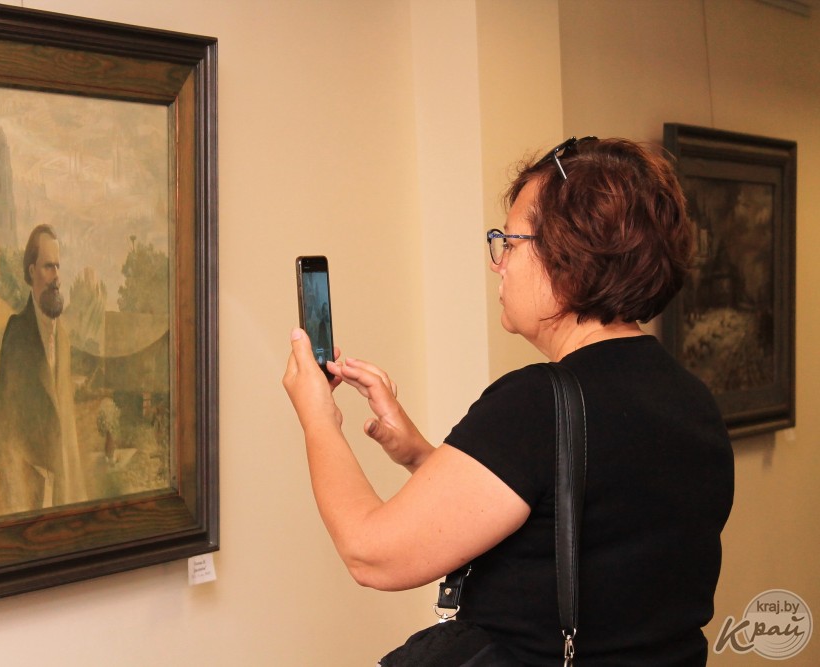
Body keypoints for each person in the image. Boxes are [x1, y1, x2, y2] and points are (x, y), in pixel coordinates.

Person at [282, 137, 734, 666]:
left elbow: (371, 555)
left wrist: (318, 417)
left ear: (569, 256)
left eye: (510, 243)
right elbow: (570, 519)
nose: (498, 265)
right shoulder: (690, 399)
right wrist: (419, 455)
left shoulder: (538, 402)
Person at [0, 224, 87, 515]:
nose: (56, 277)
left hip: (62, 498)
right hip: (28, 499)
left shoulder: (64, 339)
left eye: (58, 267)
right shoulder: (17, 333)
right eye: (48, 267)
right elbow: (1, 432)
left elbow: (67, 428)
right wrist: (17, 499)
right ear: (32, 271)